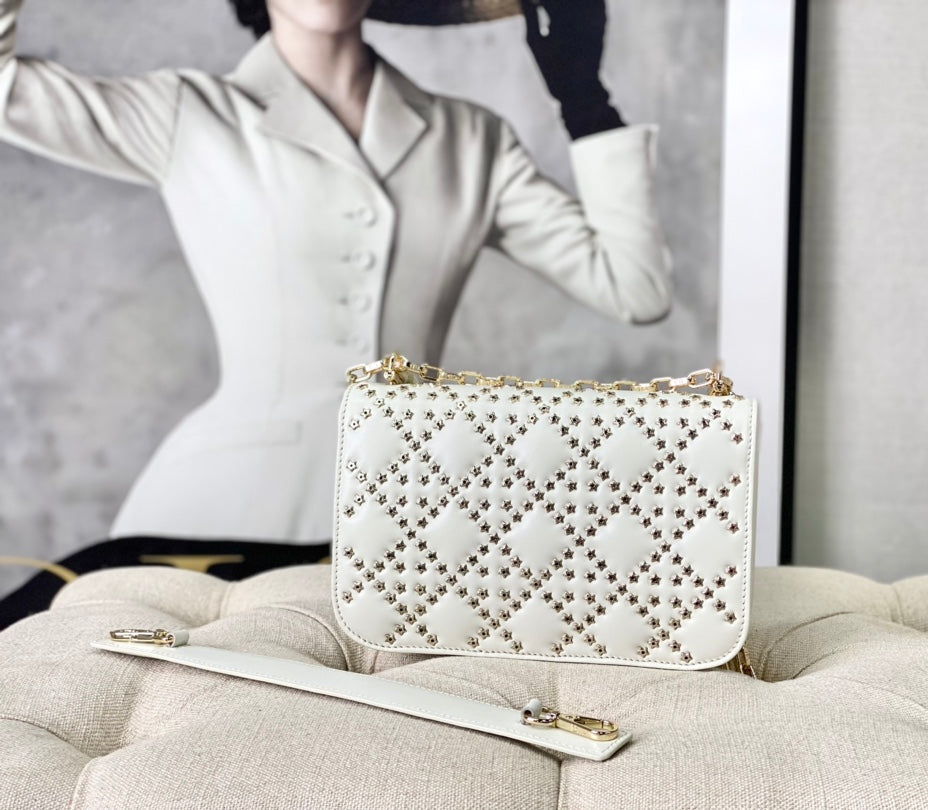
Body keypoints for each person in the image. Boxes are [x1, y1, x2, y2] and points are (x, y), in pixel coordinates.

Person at [0, 0, 672, 546]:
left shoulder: (472, 140)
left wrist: (583, 94)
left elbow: (634, 288)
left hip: (415, 517)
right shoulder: (187, 115)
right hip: (223, 510)